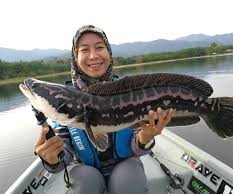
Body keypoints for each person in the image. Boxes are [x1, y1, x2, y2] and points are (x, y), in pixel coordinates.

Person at [33, 25, 173, 194]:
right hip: (85, 169)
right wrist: (52, 159)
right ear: (75, 57)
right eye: (84, 50)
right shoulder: (64, 103)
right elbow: (64, 158)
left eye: (99, 47)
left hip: (125, 164)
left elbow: (137, 147)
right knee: (85, 180)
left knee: (128, 179)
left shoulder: (129, 93)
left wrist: (146, 136)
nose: (93, 56)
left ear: (109, 52)